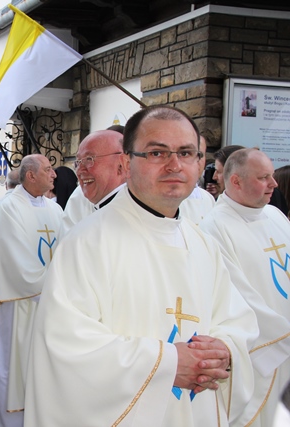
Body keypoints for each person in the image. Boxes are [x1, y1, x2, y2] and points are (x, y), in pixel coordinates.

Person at [24, 106, 258, 426]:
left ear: (198, 163)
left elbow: (235, 319)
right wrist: (167, 363)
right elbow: (65, 345)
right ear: (126, 163)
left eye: (186, 153)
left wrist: (225, 350)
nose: (174, 165)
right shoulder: (86, 244)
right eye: (157, 153)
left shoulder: (203, 245)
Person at [200, 148, 290, 427]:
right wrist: (283, 334)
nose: (273, 184)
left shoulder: (275, 215)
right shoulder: (214, 227)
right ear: (236, 181)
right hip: (266, 350)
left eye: (272, 176)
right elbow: (236, 294)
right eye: (263, 178)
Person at [0, 153, 63, 427]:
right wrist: (56, 285)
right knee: (11, 371)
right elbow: (16, 262)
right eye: (48, 169)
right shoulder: (9, 209)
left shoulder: (56, 210)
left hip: (49, 306)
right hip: (16, 307)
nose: (54, 174)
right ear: (31, 175)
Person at [61, 130, 125, 236]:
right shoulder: (79, 197)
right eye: (78, 162)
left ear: (122, 163)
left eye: (89, 159)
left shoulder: (145, 204)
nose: (79, 171)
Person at [179, 136, 215, 224]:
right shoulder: (164, 196)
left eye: (200, 155)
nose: (197, 161)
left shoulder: (208, 198)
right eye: (187, 154)